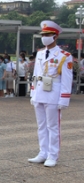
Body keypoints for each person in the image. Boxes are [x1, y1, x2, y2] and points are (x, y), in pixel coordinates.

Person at [29, 21, 73, 167]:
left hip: (54, 94)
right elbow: (36, 74)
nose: (44, 37)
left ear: (55, 36)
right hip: (40, 92)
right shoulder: (40, 53)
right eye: (43, 35)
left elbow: (67, 79)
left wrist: (64, 99)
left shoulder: (64, 55)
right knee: (41, 126)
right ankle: (43, 152)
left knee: (53, 127)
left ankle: (53, 155)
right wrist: (33, 92)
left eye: (47, 35)